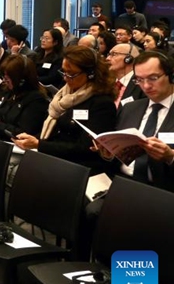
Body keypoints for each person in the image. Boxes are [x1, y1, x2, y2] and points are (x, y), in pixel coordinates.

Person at [13, 46, 117, 172]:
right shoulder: (64, 94)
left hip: (77, 166)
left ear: (91, 74)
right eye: (64, 72)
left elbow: (85, 147)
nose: (65, 78)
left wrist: (39, 144)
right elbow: (55, 131)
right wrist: (32, 139)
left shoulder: (102, 103)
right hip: (54, 156)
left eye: (71, 74)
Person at [94, 51, 174, 192]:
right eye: (139, 80)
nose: (146, 86)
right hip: (121, 182)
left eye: (153, 78)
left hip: (163, 190)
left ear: (171, 76)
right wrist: (109, 154)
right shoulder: (130, 108)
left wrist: (171, 157)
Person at [0, 54, 48, 141]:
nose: (4, 81)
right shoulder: (10, 92)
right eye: (4, 77)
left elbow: (22, 134)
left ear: (21, 80)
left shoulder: (37, 100)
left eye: (7, 78)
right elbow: (0, 117)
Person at [106, 42, 144, 108]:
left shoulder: (141, 84)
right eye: (109, 54)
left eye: (114, 54)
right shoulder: (107, 82)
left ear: (128, 59)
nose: (108, 58)